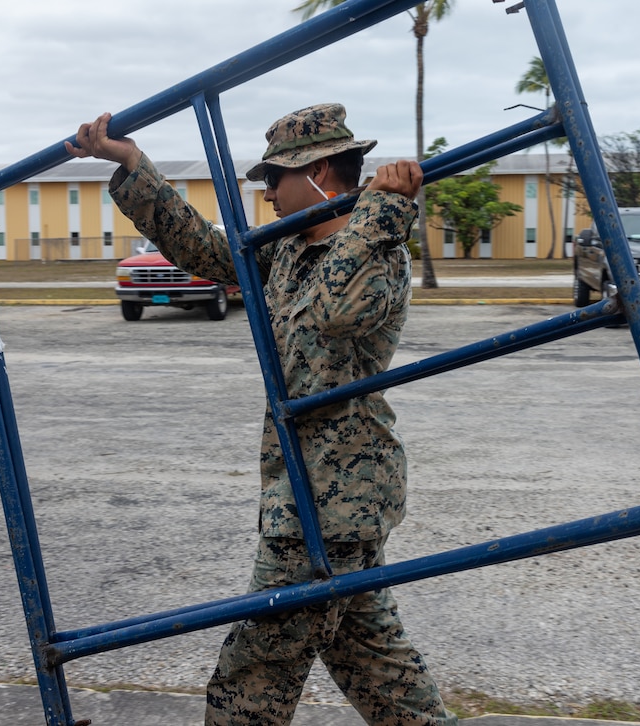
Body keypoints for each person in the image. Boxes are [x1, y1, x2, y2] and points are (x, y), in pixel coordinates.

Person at [67, 103, 456, 726]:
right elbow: (207, 251)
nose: (267, 190)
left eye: (277, 176)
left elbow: (336, 310)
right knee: (374, 662)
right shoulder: (287, 252)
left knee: (253, 674)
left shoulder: (378, 251)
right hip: (308, 490)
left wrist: (382, 209)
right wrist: (133, 164)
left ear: (324, 170)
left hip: (333, 495)